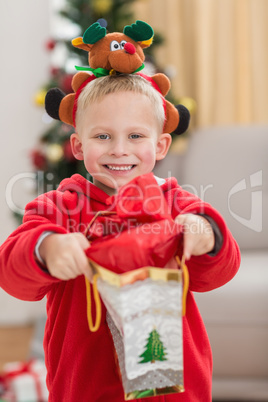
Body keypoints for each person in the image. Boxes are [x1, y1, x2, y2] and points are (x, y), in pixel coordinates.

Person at [0, 74, 240, 401]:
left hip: (175, 390)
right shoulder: (59, 208)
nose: (119, 150)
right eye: (103, 136)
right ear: (79, 145)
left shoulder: (177, 204)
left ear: (160, 145)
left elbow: (221, 270)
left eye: (135, 135)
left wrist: (206, 234)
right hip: (85, 388)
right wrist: (46, 247)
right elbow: (12, 274)